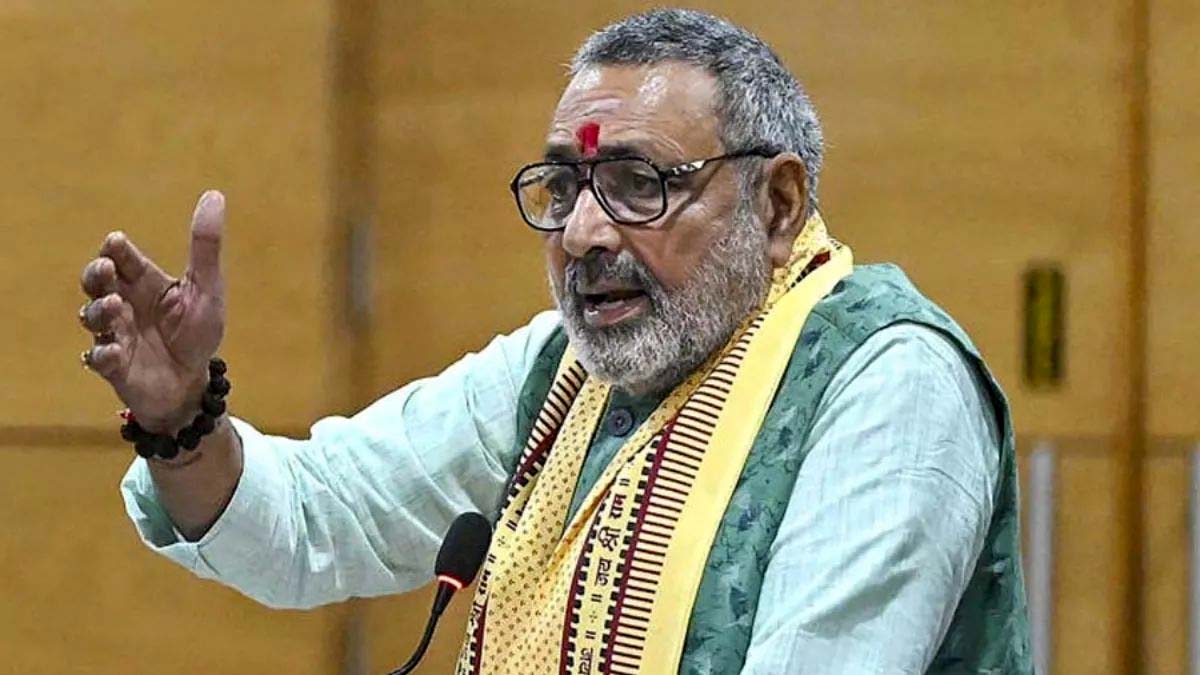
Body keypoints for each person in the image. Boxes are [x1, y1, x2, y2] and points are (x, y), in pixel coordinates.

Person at [77, 9, 1032, 674]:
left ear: (776, 204)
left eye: (640, 184)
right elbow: (317, 520)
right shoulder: (561, 375)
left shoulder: (890, 384)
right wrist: (179, 422)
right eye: (567, 188)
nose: (583, 233)